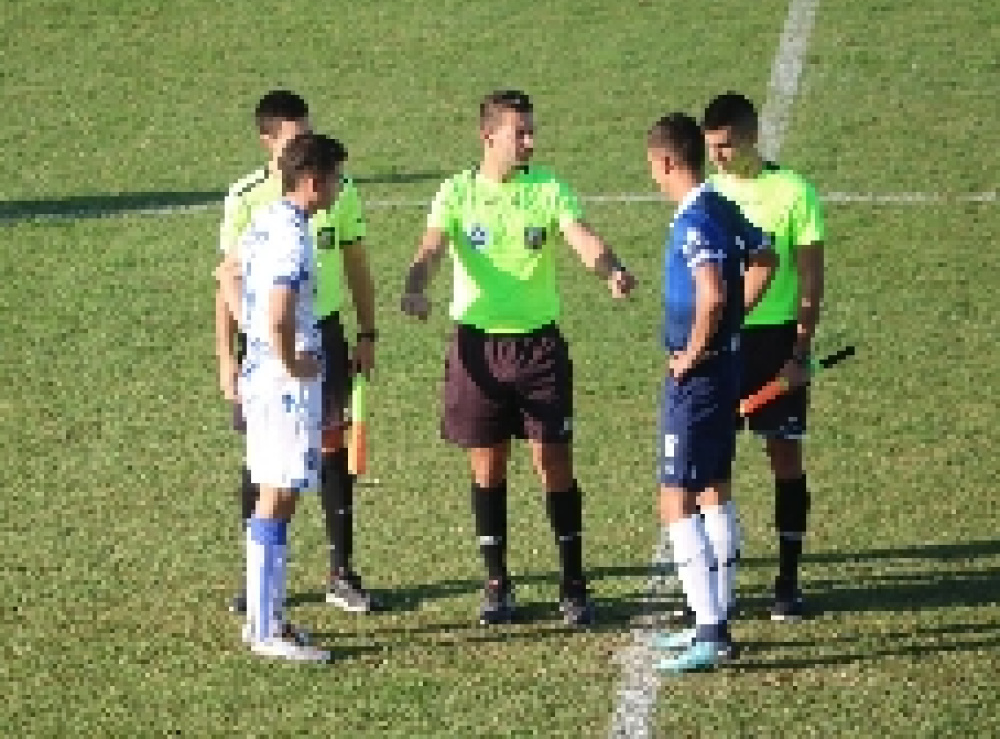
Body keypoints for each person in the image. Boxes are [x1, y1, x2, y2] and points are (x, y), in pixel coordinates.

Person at [399, 89, 636, 627]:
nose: (530, 141)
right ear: (489, 136)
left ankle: (573, 583)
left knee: (554, 464)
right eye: (520, 133)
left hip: (538, 350)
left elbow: (583, 238)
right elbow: (430, 249)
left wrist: (612, 270)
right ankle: (497, 583)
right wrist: (415, 286)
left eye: (532, 131)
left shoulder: (547, 189)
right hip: (477, 349)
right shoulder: (456, 192)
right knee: (488, 468)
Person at [216, 90, 379, 616]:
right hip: (284, 361)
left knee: (311, 463)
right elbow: (244, 287)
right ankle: (263, 604)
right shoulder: (273, 218)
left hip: (303, 343)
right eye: (295, 139)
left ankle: (323, 581)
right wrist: (256, 353)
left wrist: (365, 332)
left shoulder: (300, 208)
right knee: (271, 478)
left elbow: (354, 264)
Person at [643, 113, 775, 673]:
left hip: (698, 379)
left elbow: (712, 293)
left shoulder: (695, 219)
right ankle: (715, 614)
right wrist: (732, 324)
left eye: (652, 165)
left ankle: (710, 630)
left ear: (667, 162)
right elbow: (766, 257)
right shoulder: (721, 205)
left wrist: (692, 353)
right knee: (714, 487)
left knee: (675, 495)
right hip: (727, 368)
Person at [216, 132, 349, 661]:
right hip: (284, 387)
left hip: (260, 378)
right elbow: (277, 315)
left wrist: (251, 334)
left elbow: (227, 274)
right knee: (277, 497)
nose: (339, 187)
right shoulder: (293, 237)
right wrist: (294, 364)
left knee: (274, 494)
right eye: (336, 178)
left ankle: (263, 618)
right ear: (313, 181)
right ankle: (267, 629)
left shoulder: (266, 219)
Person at [702, 92, 825, 620]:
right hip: (722, 342)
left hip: (775, 342)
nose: (717, 156)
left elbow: (811, 281)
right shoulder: (708, 194)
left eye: (726, 146)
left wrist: (800, 351)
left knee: (784, 457)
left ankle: (788, 581)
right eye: (711, 147)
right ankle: (715, 585)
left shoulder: (794, 192)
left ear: (752, 137)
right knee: (712, 463)